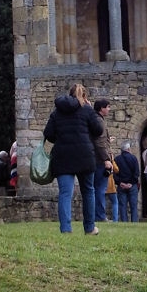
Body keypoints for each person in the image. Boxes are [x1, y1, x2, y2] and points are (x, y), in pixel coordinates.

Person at [43, 82, 104, 234]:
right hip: (84, 155)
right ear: (84, 96)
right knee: (88, 191)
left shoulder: (57, 112)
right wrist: (91, 110)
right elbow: (98, 130)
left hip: (63, 156)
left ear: (69, 94)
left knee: (65, 193)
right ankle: (89, 228)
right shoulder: (87, 110)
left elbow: (48, 134)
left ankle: (66, 229)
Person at [91, 99, 114, 227]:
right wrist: (106, 159)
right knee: (100, 189)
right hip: (99, 161)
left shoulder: (94, 119)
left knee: (94, 189)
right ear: (101, 108)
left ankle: (95, 215)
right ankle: (99, 215)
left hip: (94, 159)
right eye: (108, 107)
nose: (109, 109)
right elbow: (99, 142)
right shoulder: (99, 121)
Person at [115, 141, 140, 222]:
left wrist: (120, 183)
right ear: (128, 149)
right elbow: (136, 173)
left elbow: (114, 174)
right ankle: (134, 223)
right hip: (132, 185)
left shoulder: (117, 159)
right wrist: (131, 183)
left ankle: (124, 222)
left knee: (122, 206)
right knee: (133, 206)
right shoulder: (133, 158)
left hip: (121, 185)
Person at [104, 144, 120, 221]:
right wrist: (112, 160)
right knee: (115, 202)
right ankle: (115, 219)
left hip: (102, 184)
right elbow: (117, 169)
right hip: (110, 185)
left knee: (102, 202)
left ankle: (102, 217)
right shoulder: (110, 162)